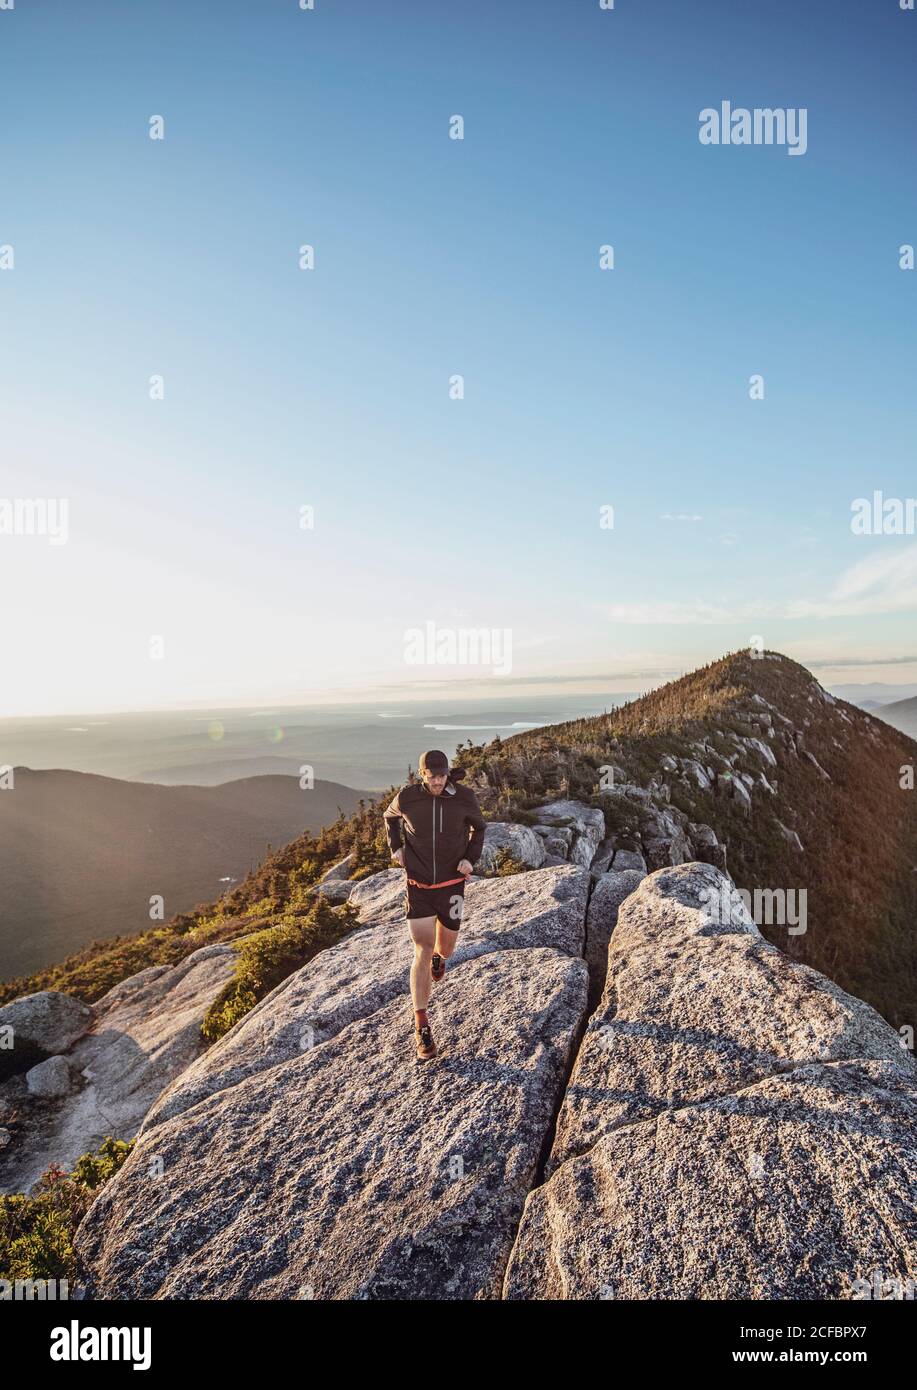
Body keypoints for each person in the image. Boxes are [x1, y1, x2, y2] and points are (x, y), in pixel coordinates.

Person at [383, 749, 487, 1060]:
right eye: (433, 776)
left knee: (446, 949)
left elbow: (479, 829)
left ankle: (441, 959)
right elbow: (389, 818)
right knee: (422, 948)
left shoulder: (464, 797)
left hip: (452, 886)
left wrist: (470, 859)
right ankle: (422, 1026)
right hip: (418, 887)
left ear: (447, 772)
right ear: (422, 775)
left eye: (442, 775)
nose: (439, 781)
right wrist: (396, 848)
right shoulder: (407, 798)